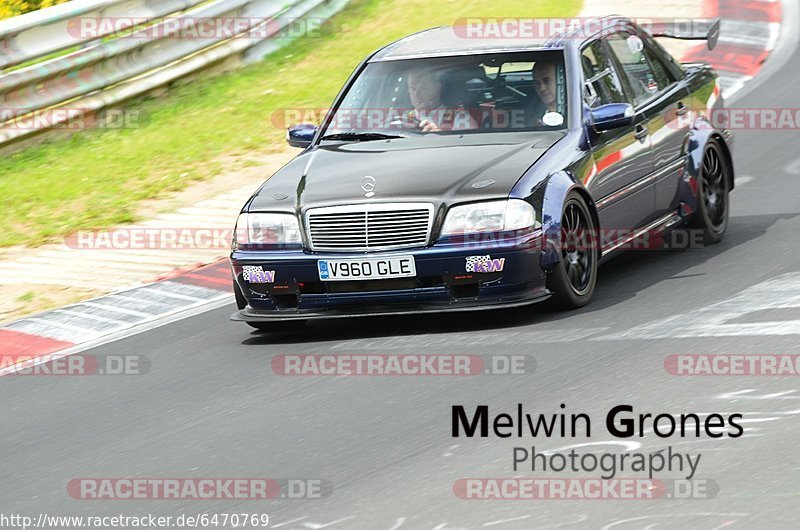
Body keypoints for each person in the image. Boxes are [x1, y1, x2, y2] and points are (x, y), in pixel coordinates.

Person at [405, 69, 478, 132]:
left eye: (423, 88)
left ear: (437, 88)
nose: (417, 94)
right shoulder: (402, 119)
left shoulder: (461, 120)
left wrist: (440, 136)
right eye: (413, 89)